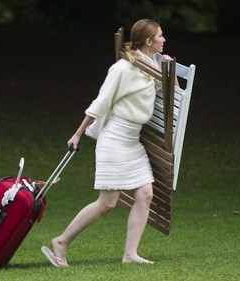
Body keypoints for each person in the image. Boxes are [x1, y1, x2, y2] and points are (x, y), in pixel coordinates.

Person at [41, 19, 174, 267]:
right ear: (148, 41)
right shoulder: (123, 69)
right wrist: (77, 134)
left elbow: (173, 96)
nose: (164, 40)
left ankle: (130, 255)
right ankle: (61, 241)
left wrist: (169, 73)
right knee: (107, 203)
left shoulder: (151, 65)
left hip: (132, 141)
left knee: (145, 194)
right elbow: (100, 103)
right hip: (114, 140)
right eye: (160, 36)